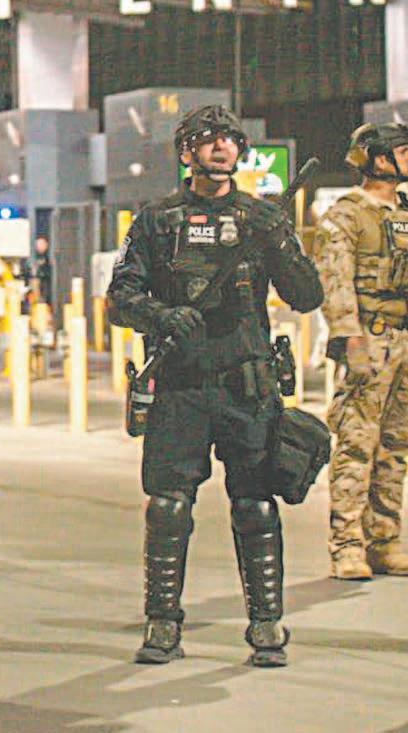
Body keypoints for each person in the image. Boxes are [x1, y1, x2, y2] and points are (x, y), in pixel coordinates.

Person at [108, 105, 322, 668]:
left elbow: (307, 296)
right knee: (168, 507)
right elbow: (119, 298)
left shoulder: (261, 219)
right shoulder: (157, 221)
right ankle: (161, 623)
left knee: (255, 505)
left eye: (230, 139)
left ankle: (267, 624)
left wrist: (280, 244)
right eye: (208, 139)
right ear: (187, 152)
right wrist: (161, 315)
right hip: (180, 385)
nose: (222, 147)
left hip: (246, 387)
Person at [315, 122, 408, 580]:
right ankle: (347, 546)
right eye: (404, 151)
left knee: (396, 446)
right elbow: (335, 281)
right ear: (378, 158)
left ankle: (384, 541)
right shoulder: (347, 216)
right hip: (370, 341)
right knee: (357, 444)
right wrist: (349, 338)